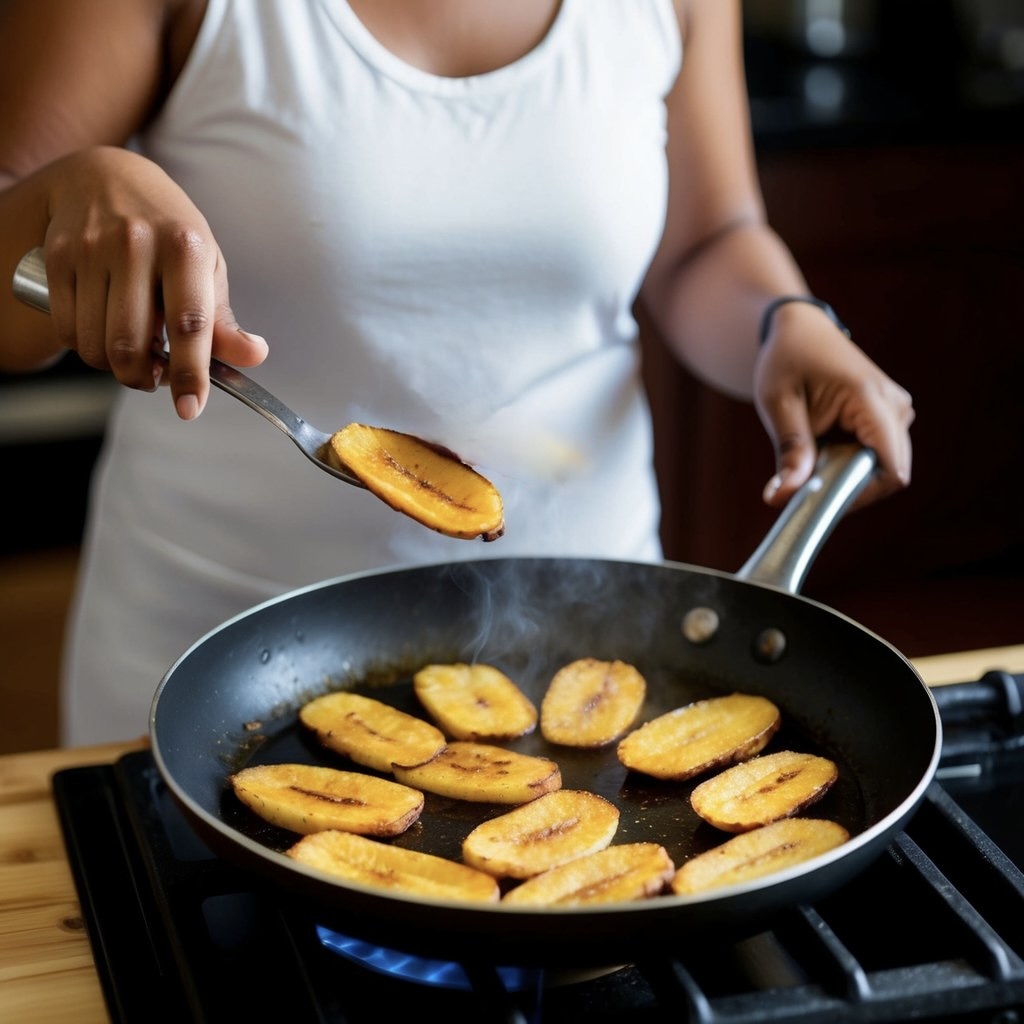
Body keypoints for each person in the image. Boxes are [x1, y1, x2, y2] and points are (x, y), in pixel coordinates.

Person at [0, 0, 914, 746]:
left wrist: (785, 324)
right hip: (221, 672)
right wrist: (68, 191)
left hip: (589, 652)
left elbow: (706, 241)